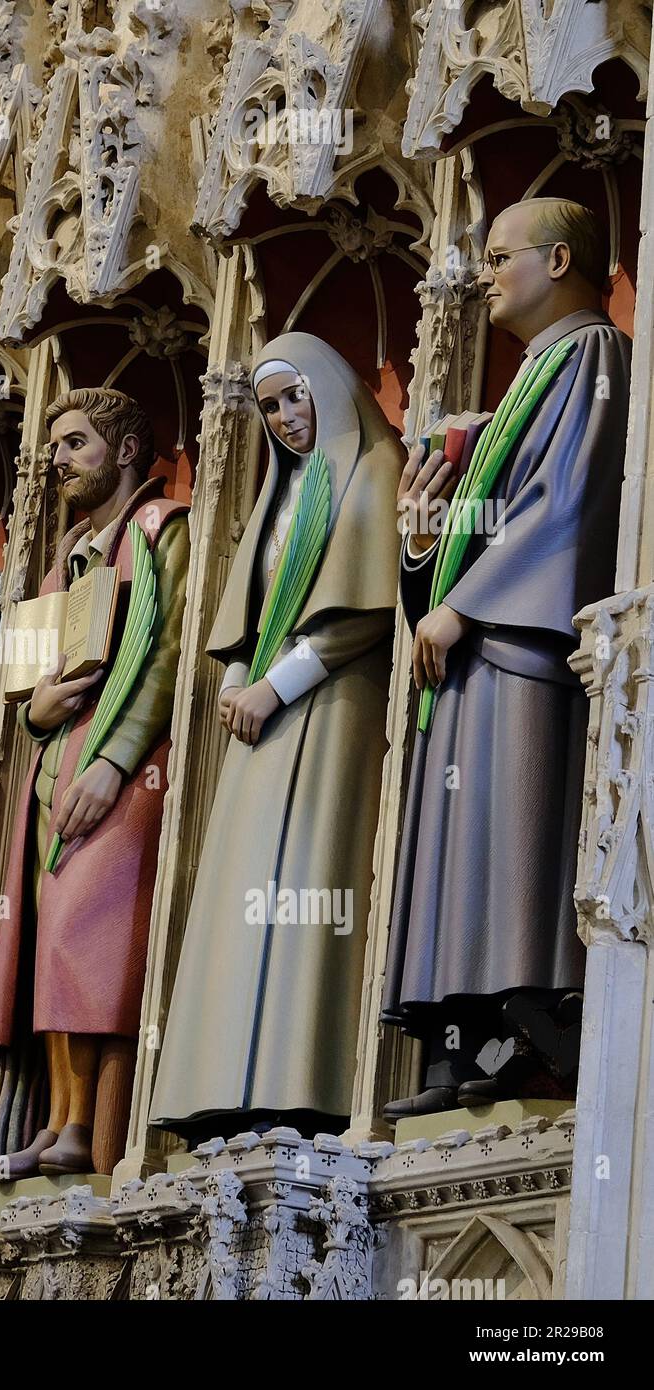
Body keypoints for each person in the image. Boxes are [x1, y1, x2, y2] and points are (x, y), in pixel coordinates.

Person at [383, 198, 631, 1118]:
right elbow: (487, 523)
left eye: (500, 256)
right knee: (464, 838)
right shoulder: (535, 372)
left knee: (511, 836)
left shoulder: (593, 354)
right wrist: (422, 543)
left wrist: (462, 603)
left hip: (523, 641)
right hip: (480, 639)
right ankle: (466, 1038)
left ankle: (531, 1028)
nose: (485, 274)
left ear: (559, 258)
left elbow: (567, 503)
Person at [149, 337, 402, 1141]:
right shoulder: (284, 493)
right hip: (262, 707)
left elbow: (365, 608)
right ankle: (220, 1086)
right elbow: (247, 613)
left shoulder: (375, 465)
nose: (287, 418)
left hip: (329, 704)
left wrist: (275, 684)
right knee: (242, 893)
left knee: (308, 880)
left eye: (296, 397)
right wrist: (236, 683)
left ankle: (299, 1082)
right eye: (270, 406)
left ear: (328, 387)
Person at [0, 388, 189, 1180]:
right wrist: (36, 716)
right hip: (54, 765)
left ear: (127, 449)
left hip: (123, 767)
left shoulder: (164, 530)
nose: (58, 461)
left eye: (76, 445)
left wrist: (113, 758)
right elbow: (28, 688)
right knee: (49, 945)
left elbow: (171, 651)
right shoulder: (68, 556)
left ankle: (99, 1128)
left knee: (92, 938)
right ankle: (61, 1117)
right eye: (56, 447)